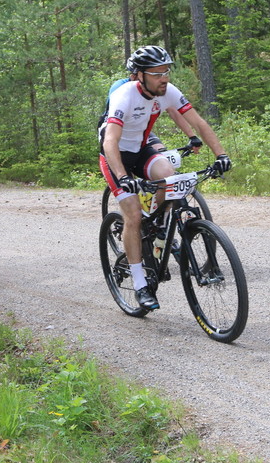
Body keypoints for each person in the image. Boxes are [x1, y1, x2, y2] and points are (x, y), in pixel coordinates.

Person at [98, 45, 232, 311]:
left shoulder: (167, 92)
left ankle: (155, 220)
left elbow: (199, 123)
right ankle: (140, 283)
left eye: (166, 71)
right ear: (139, 75)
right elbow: (110, 141)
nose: (164, 78)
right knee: (133, 216)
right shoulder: (124, 95)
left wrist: (221, 155)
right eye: (157, 73)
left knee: (170, 178)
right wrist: (124, 176)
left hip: (141, 148)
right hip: (115, 155)